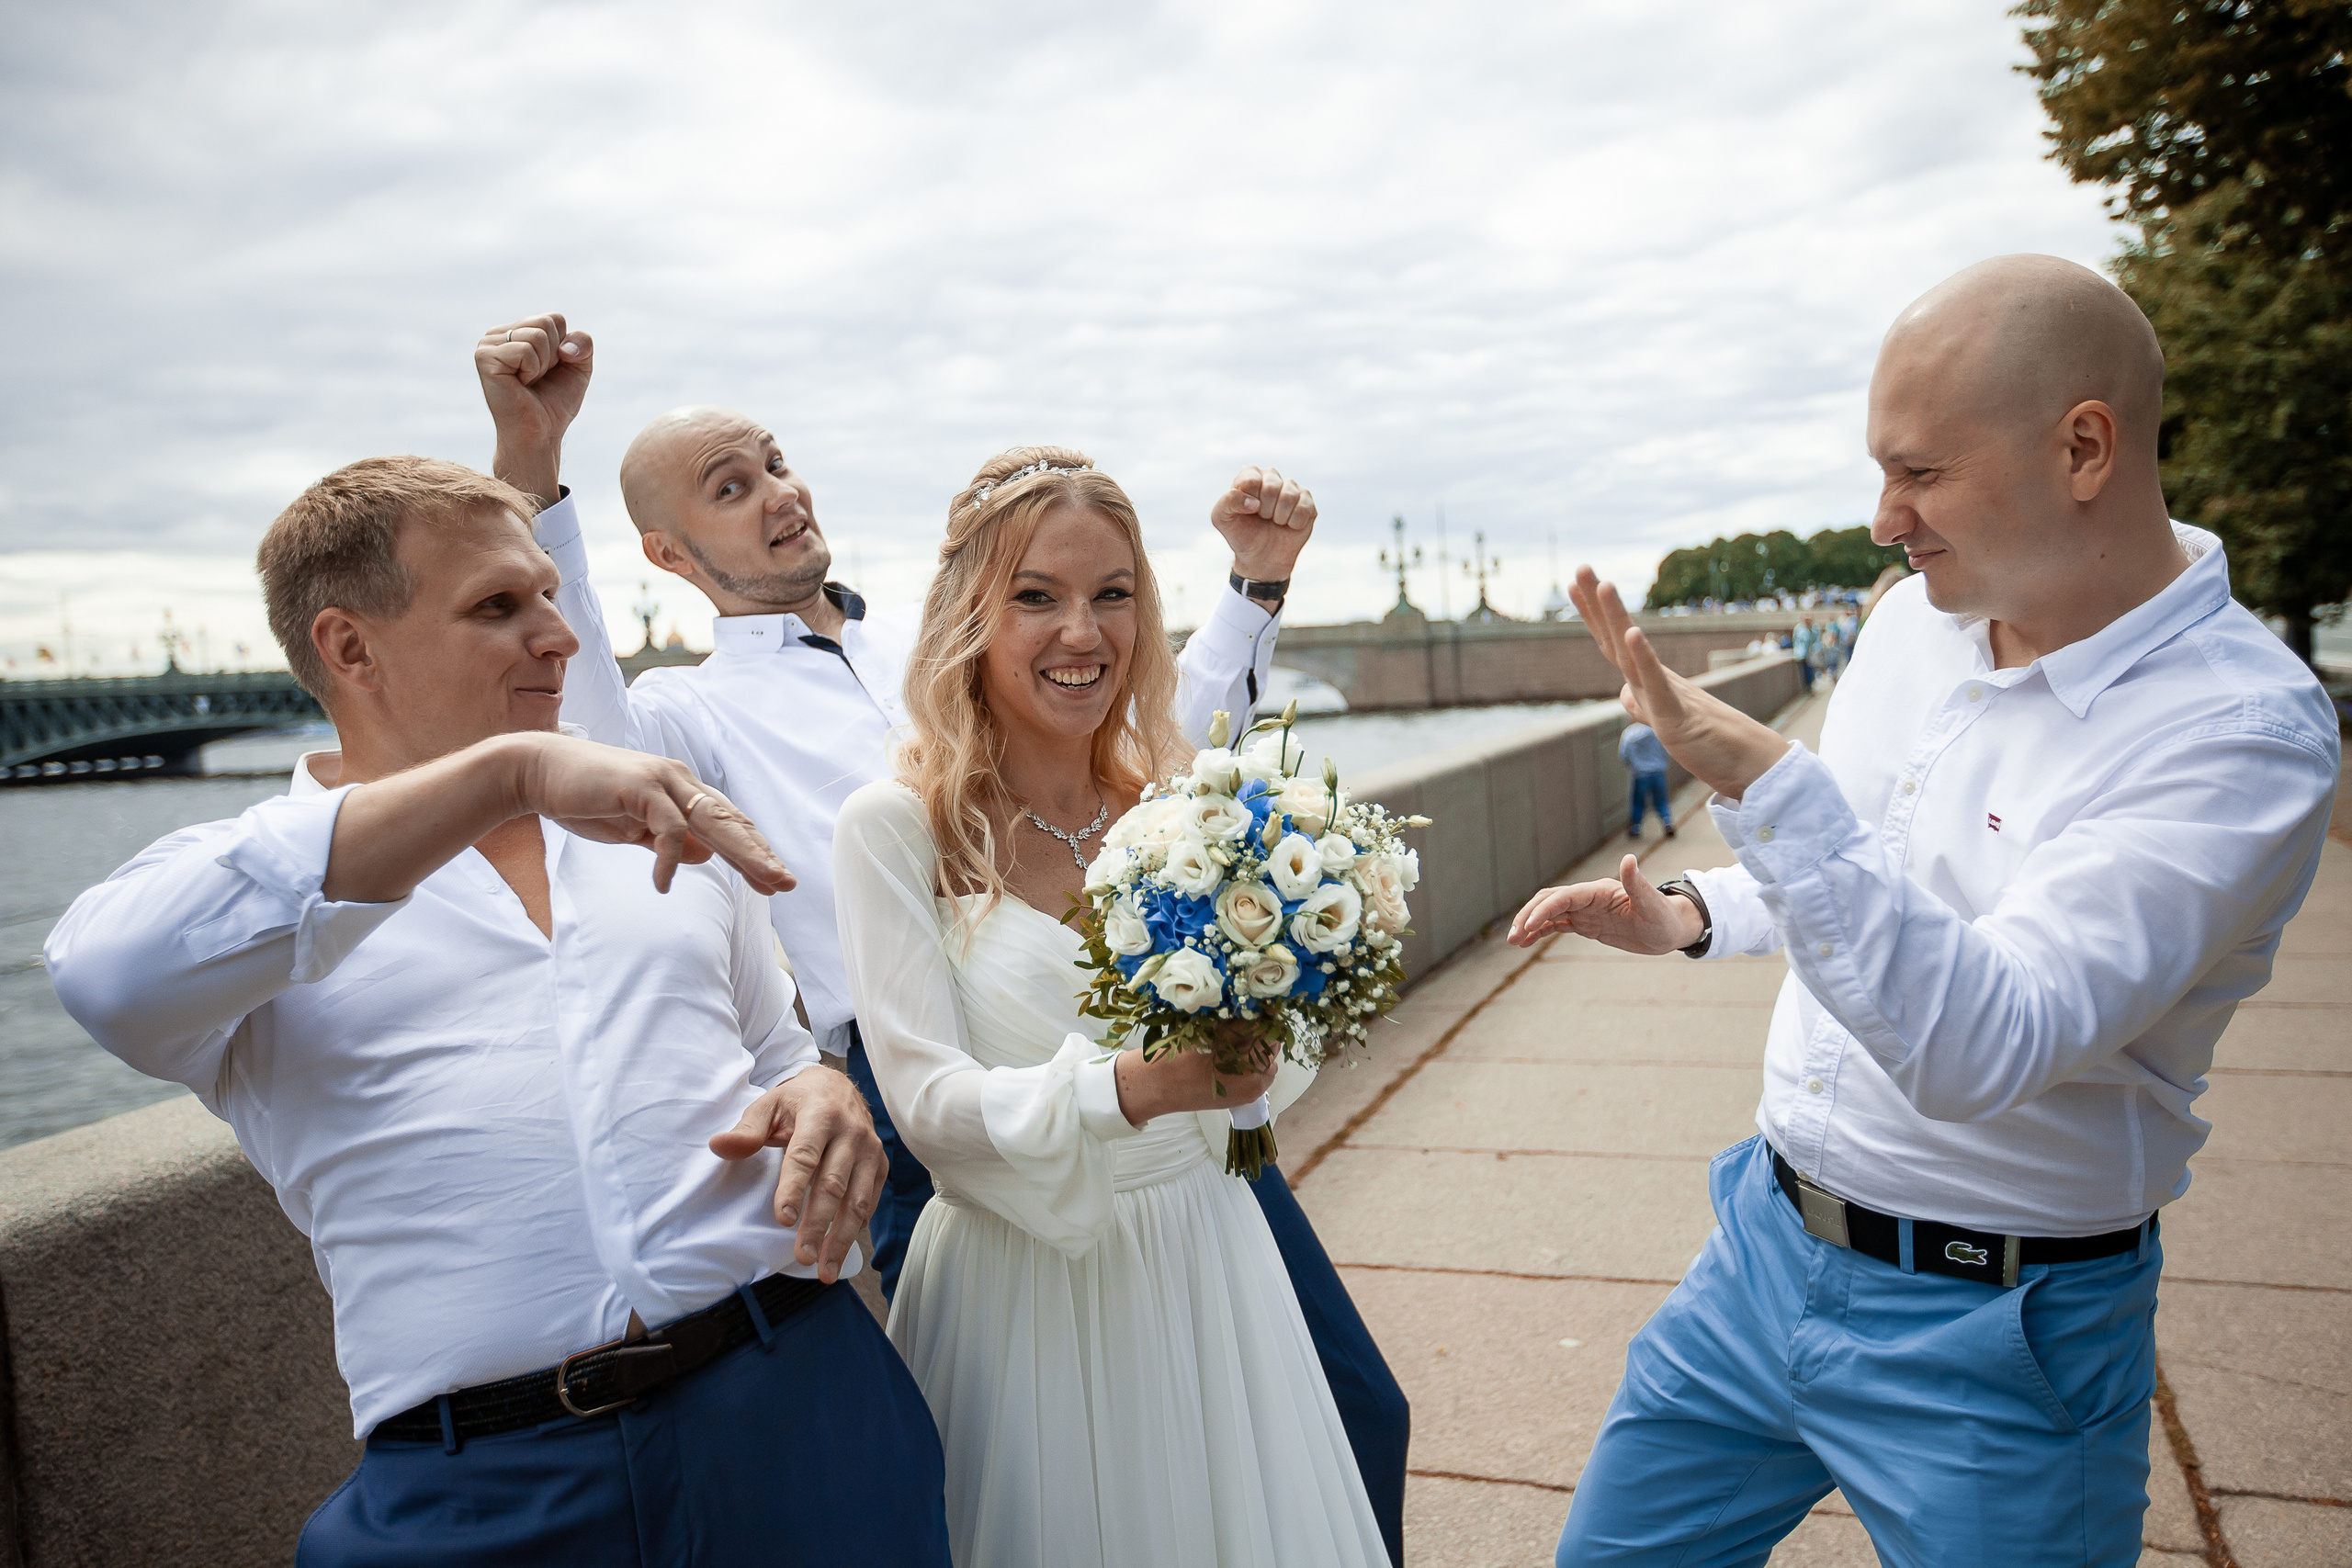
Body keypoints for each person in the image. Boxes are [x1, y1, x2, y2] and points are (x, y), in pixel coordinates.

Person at [474, 314, 1409, 1564]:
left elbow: (1153, 743)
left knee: (1340, 1409)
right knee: (1017, 1445)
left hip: (1163, 1079)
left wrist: (1249, 593)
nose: (778, 493)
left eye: (776, 461)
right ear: (666, 552)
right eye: (730, 486)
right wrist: (532, 470)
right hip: (928, 1077)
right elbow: (585, 741)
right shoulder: (684, 710)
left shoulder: (934, 641)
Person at [1510, 254, 2338, 1567]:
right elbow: (1871, 872)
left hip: (1997, 1332)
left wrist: (1764, 777)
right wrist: (1693, 910)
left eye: (1921, 471)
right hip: (1762, 1247)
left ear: (2083, 448)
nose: (1885, 516)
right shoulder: (1911, 623)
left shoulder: (2239, 730)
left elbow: (1981, 1042)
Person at [45, 457, 950, 1566]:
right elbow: (105, 978)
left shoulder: (665, 831)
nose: (557, 637)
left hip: (806, 1407)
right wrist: (507, 774)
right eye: (497, 607)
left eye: (550, 597)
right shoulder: (254, 889)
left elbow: (773, 1045)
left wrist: (815, 1087)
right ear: (349, 649)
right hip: (484, 1491)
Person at [831, 449, 1391, 1568]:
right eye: (1036, 597)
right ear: (968, 617)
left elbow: (1270, 1065)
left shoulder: (1183, 809)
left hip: (1210, 1256)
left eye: (1112, 594)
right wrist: (1129, 1090)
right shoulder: (896, 829)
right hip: (1022, 1290)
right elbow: (925, 1107)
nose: (1081, 632)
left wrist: (1278, 1023)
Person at [1618, 719, 1673, 840]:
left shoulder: (1629, 733)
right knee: (1661, 800)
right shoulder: (1657, 731)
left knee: (1638, 802)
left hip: (1640, 773)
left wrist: (1633, 765)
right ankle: (1667, 822)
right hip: (1658, 771)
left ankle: (1636, 827)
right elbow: (1667, 751)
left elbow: (1623, 754)